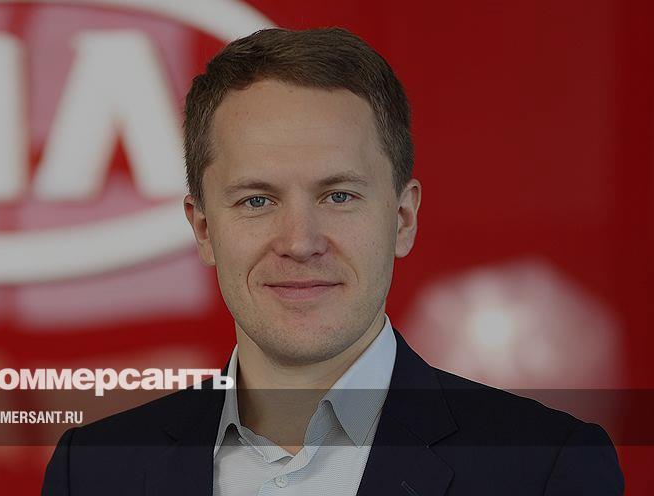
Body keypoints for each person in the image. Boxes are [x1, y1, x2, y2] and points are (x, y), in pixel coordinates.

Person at [41, 27, 624, 495]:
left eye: (338, 196)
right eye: (257, 200)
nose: (300, 242)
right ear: (204, 229)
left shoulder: (545, 469)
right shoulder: (90, 472)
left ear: (403, 218)